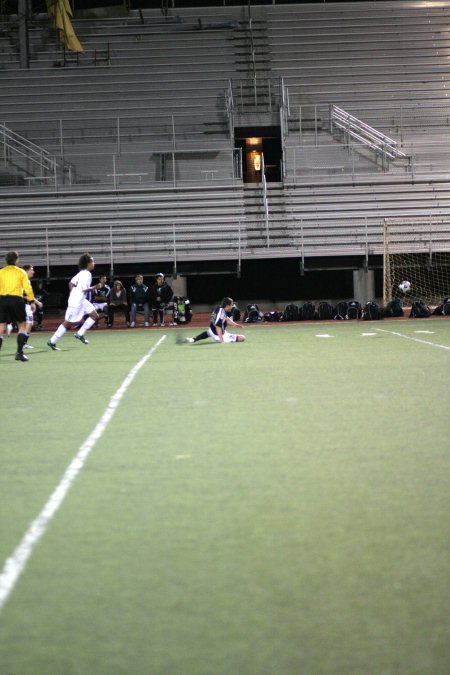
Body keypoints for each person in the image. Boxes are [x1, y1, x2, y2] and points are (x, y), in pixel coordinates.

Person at [47, 253, 100, 350]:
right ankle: (52, 341)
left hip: (81, 300)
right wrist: (95, 287)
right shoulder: (87, 274)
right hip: (76, 302)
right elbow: (85, 289)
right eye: (92, 261)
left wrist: (73, 292)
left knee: (95, 315)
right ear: (88, 263)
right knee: (68, 324)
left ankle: (80, 333)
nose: (94, 263)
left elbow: (71, 283)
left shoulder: (81, 272)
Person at [0, 251, 36, 362]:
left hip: (2, 300)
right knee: (22, 326)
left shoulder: (1, 272)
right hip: (16, 300)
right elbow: (27, 288)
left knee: (1, 328)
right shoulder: (21, 272)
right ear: (17, 260)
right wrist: (32, 301)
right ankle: (19, 353)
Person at [22, 264, 43, 350]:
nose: (33, 271)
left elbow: (28, 295)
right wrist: (36, 302)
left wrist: (35, 302)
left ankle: (23, 343)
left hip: (25, 304)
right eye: (32, 269)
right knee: (28, 323)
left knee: (27, 323)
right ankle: (23, 343)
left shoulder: (27, 280)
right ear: (26, 271)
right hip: (23, 305)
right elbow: (23, 295)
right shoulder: (24, 280)